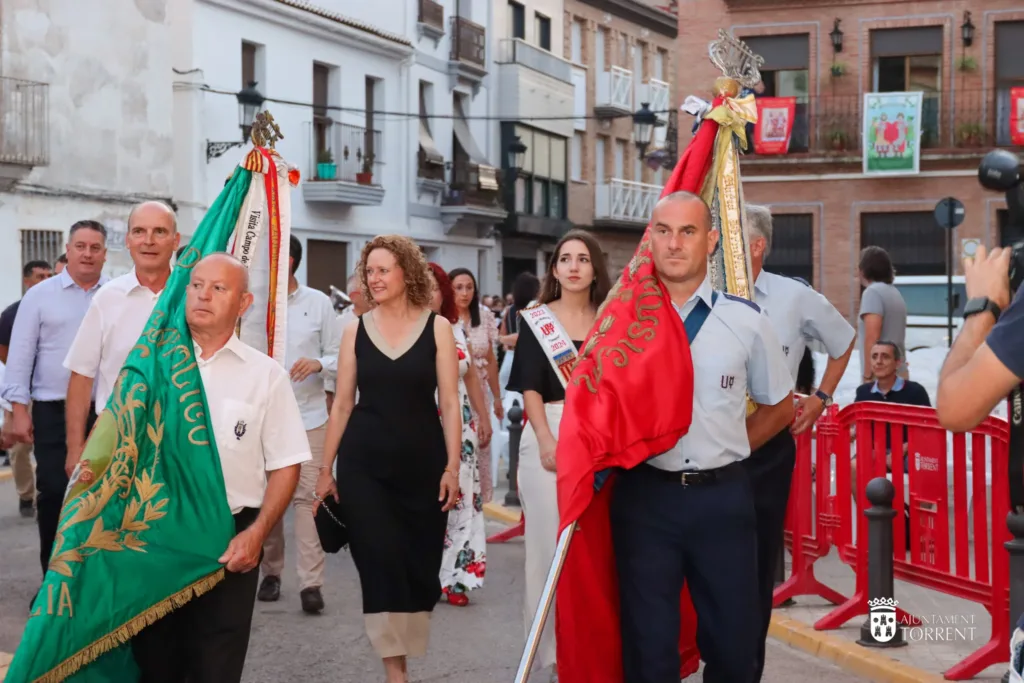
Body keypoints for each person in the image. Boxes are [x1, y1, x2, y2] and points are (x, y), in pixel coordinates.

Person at [609, 192, 793, 683]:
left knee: (734, 648)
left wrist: (733, 447)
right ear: (650, 240)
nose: (674, 243)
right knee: (649, 652)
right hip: (647, 498)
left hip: (723, 500)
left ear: (711, 240)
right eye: (663, 231)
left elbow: (780, 405)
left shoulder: (745, 320)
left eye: (687, 231)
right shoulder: (623, 325)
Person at [129, 253, 308, 683]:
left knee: (216, 670)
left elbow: (286, 465)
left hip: (229, 544)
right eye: (196, 286)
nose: (203, 295)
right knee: (153, 666)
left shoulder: (265, 376)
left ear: (244, 303)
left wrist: (257, 534)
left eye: (218, 288)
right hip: (155, 537)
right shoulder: (151, 367)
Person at [315, 235, 462, 683]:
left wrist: (452, 467)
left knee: (418, 569)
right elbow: (341, 404)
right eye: (369, 272)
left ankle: (403, 648)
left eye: (383, 270)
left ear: (406, 274)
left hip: (423, 466)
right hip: (365, 468)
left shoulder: (437, 328)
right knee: (378, 562)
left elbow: (451, 404)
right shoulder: (353, 330)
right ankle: (394, 673)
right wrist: (326, 468)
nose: (374, 279)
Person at [744, 204, 855, 682]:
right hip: (709, 443)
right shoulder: (704, 294)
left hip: (769, 444)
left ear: (755, 245)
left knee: (757, 560)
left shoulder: (793, 296)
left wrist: (822, 399)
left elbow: (843, 339)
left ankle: (746, 665)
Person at [506, 229, 609, 680]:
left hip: (600, 443)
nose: (572, 266)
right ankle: (547, 658)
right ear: (553, 269)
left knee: (594, 556)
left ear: (594, 269)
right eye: (564, 258)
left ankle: (588, 653)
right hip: (548, 434)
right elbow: (529, 385)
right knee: (547, 553)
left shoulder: (610, 322)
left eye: (582, 259)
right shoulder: (536, 320)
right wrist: (548, 440)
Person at [0, 220, 109, 575]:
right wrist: (19, 410)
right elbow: (19, 356)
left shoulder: (116, 295)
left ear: (105, 254)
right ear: (68, 248)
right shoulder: (39, 297)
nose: (87, 254)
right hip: (51, 412)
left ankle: (92, 581)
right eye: (81, 246)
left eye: (95, 248)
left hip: (107, 413)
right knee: (57, 493)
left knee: (104, 497)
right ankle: (54, 581)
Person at [64, 202, 180, 479]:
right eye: (139, 231)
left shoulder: (191, 297)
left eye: (159, 232)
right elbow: (81, 376)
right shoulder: (107, 298)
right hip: (115, 439)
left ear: (176, 241)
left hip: (180, 441)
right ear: (128, 241)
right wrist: (75, 448)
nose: (148, 241)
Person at [257, 236, 341, 613]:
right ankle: (270, 573)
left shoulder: (319, 304)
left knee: (310, 501)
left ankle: (311, 583)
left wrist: (319, 364)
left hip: (309, 418)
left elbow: (341, 353)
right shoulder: (253, 303)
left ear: (288, 261)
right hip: (263, 421)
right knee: (268, 502)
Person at [427, 262, 491, 606]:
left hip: (461, 428)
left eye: (436, 287)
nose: (430, 294)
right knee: (428, 502)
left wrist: (483, 417)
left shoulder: (454, 329)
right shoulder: (406, 330)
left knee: (463, 499)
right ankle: (426, 574)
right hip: (423, 425)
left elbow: (472, 379)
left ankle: (458, 579)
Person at [0, 259, 53, 517]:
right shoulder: (11, 314)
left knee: (50, 443)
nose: (45, 280)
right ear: (27, 280)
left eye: (48, 275)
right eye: (39, 276)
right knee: (19, 448)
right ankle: (25, 495)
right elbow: (3, 353)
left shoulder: (57, 308)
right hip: (21, 390)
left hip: (51, 389)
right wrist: (23, 372)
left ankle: (48, 494)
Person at [449, 267, 503, 502]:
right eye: (458, 287)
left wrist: (497, 397)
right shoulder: (444, 321)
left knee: (481, 444)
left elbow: (490, 360)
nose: (464, 293)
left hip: (479, 390)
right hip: (453, 391)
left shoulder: (485, 317)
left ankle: (477, 502)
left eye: (469, 287)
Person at [857, 246, 908, 382]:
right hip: (898, 373)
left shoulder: (872, 292)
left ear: (864, 269)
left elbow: (872, 336)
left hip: (880, 378)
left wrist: (868, 375)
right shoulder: (894, 292)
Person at [498, 272, 541, 395]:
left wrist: (504, 341)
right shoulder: (537, 310)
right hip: (531, 359)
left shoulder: (509, 310)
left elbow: (503, 334)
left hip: (510, 358)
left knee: (507, 399)